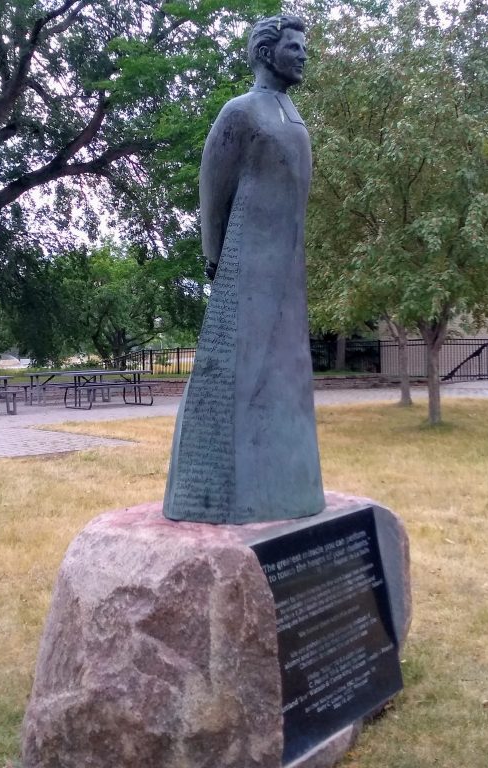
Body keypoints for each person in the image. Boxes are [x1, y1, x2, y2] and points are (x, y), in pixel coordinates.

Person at [163, 15, 325, 524]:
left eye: (304, 48)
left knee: (286, 371)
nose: (303, 55)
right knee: (238, 371)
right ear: (265, 52)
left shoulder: (292, 115)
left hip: (286, 263)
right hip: (245, 262)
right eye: (294, 47)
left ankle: (284, 485)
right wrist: (214, 257)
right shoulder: (241, 113)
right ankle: (220, 494)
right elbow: (213, 191)